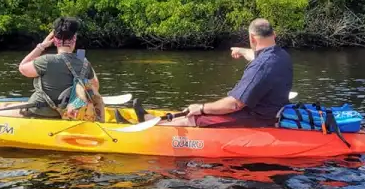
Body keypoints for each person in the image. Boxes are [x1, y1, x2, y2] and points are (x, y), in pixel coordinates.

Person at [119, 18, 292, 128]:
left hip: (256, 117)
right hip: (272, 111)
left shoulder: (261, 66)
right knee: (200, 111)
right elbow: (257, 56)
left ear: (252, 38)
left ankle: (152, 126)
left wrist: (201, 108)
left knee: (198, 117)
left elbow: (234, 105)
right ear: (273, 35)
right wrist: (242, 50)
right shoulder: (281, 55)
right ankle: (152, 119)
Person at [0, 17, 103, 120]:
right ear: (74, 39)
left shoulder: (45, 60)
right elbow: (94, 86)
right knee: (6, 105)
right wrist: (83, 65)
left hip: (39, 111)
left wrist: (41, 46)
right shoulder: (84, 62)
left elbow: (22, 68)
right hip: (68, 111)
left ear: (54, 40)